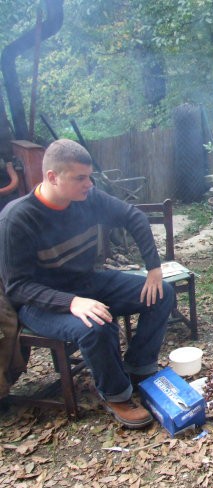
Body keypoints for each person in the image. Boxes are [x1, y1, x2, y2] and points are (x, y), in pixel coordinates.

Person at [0, 139, 174, 428]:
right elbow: (18, 287)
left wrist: (154, 268)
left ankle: (138, 368)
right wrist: (71, 302)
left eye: (89, 176)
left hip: (87, 282)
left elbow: (134, 216)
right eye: (80, 178)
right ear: (52, 177)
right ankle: (116, 395)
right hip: (41, 303)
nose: (89, 184)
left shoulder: (88, 198)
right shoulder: (16, 220)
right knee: (97, 324)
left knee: (161, 294)